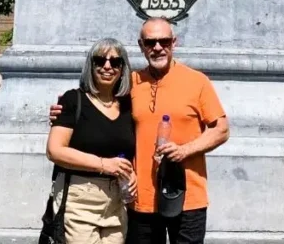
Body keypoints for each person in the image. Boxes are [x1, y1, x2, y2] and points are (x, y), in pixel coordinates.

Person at [51, 18, 229, 244]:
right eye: (150, 42)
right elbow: (99, 107)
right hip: (141, 199)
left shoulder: (197, 81)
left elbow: (221, 129)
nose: (158, 47)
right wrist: (64, 110)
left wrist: (184, 150)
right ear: (141, 45)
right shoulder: (130, 84)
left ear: (174, 42)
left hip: (188, 196)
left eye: (164, 41)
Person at [46, 39, 136, 244]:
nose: (107, 66)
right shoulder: (73, 100)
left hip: (117, 202)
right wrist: (103, 164)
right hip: (79, 199)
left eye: (115, 62)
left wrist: (132, 173)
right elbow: (55, 151)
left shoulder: (128, 106)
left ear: (123, 68)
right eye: (100, 60)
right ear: (90, 65)